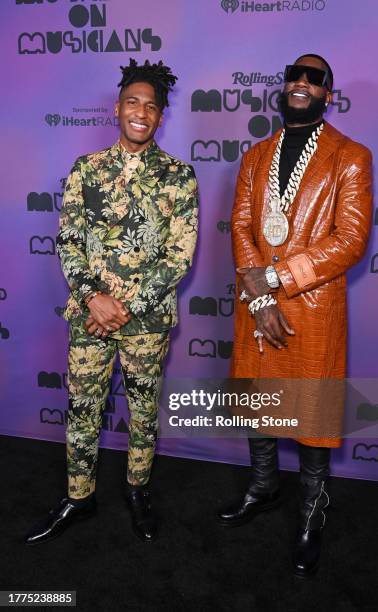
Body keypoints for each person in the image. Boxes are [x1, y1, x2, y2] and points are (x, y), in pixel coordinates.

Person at [25, 59, 198, 545]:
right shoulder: (87, 169)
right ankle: (79, 496)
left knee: (143, 413)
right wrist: (92, 299)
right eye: (132, 102)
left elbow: (179, 254)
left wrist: (123, 307)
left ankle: (138, 491)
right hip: (89, 318)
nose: (140, 112)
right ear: (117, 109)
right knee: (82, 408)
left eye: (150, 106)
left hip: (146, 322)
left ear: (160, 117)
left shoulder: (179, 177)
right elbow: (69, 241)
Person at [217, 54, 372, 577]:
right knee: (259, 401)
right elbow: (240, 227)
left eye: (316, 78)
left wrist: (276, 280)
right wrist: (259, 299)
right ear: (284, 87)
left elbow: (350, 240)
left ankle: (311, 514)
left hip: (312, 307)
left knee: (311, 415)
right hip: (257, 308)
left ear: (330, 92)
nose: (302, 83)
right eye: (295, 75)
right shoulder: (256, 155)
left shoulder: (351, 156)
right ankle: (263, 487)